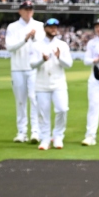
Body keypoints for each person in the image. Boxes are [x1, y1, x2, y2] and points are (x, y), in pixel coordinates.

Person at [4, 0, 45, 143]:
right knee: (20, 101)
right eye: (26, 9)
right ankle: (22, 132)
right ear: (20, 11)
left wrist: (33, 38)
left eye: (30, 10)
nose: (28, 12)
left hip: (33, 68)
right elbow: (10, 47)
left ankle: (35, 131)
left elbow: (42, 45)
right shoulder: (12, 27)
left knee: (34, 99)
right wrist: (24, 39)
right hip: (17, 68)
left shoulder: (39, 26)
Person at [30, 18, 73, 150]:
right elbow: (32, 64)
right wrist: (42, 60)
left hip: (58, 83)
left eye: (55, 26)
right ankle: (45, 138)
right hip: (41, 84)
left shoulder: (62, 45)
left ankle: (58, 136)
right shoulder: (36, 45)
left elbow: (69, 64)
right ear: (45, 29)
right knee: (43, 113)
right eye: (51, 27)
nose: (53, 29)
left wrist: (59, 57)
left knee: (62, 109)